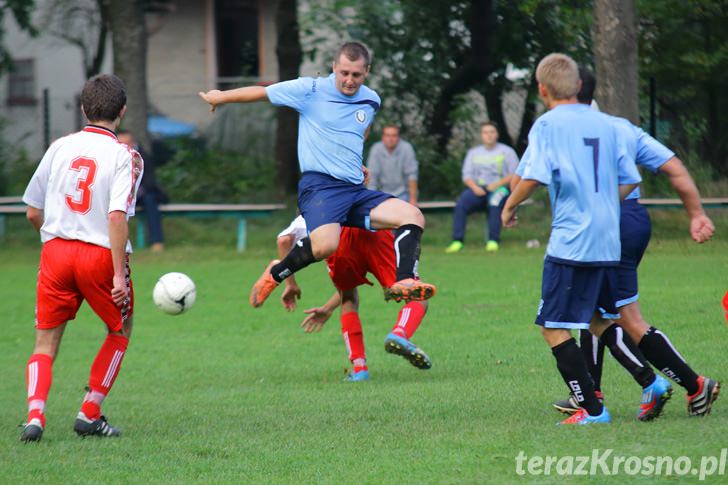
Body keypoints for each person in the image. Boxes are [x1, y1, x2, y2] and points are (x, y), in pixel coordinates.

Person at [199, 42, 436, 307]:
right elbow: (263, 92)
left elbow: (361, 130)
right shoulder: (309, 90)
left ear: (366, 71)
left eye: (356, 75)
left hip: (355, 190)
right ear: (334, 67)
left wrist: (355, 160)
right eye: (343, 73)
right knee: (325, 246)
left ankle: (403, 281)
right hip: (321, 188)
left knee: (412, 216)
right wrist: (221, 97)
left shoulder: (371, 99)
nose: (349, 80)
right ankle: (276, 273)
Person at [551, 67, 719, 418]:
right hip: (633, 220)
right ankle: (594, 393)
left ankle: (685, 383)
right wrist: (696, 213)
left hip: (603, 224)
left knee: (620, 317)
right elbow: (674, 167)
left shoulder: (563, 130)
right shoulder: (621, 127)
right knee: (599, 310)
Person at [502, 53, 644, 425]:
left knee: (552, 324)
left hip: (572, 239)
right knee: (597, 316)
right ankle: (651, 383)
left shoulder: (547, 125)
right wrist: (602, 205)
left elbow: (532, 177)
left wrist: (509, 205)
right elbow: (630, 177)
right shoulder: (608, 123)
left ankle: (593, 410)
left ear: (542, 89)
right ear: (579, 86)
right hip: (606, 239)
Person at [19, 74, 143, 442]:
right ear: (122, 111)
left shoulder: (59, 147)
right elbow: (117, 216)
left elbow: (31, 211)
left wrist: (55, 240)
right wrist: (119, 275)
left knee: (45, 342)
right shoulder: (125, 156)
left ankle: (35, 417)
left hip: (55, 252)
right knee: (120, 330)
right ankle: (89, 413)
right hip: (100, 255)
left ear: (83, 108)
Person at [276, 216, 430, 381]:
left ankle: (359, 368)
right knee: (415, 294)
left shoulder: (315, 205)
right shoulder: (356, 192)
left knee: (348, 297)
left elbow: (284, 241)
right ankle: (400, 333)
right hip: (372, 232)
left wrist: (290, 284)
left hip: (339, 241)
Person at [445, 121, 519, 254]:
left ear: (497, 134)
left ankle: (493, 241)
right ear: (481, 135)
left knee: (494, 203)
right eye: (485, 132)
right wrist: (474, 187)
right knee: (461, 204)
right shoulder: (474, 153)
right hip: (478, 188)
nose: (489, 135)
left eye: (492, 132)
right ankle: (457, 241)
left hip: (500, 188)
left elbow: (515, 173)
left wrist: (497, 184)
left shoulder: (507, 151)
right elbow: (466, 175)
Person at [118, 130, 166, 253]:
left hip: (142, 194)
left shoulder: (144, 156)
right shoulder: (114, 157)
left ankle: (157, 241)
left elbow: (150, 182)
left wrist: (133, 194)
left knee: (150, 201)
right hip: (121, 194)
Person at [366, 125, 419, 204]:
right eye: (387, 135)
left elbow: (412, 175)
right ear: (383, 137)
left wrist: (413, 199)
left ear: (399, 137)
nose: (390, 139)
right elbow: (372, 177)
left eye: (394, 135)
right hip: (381, 195)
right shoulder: (376, 149)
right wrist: (370, 200)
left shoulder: (407, 148)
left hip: (404, 195)